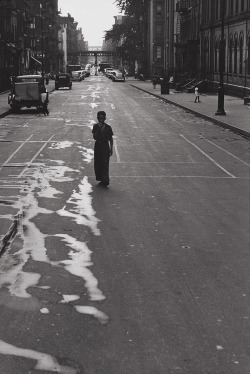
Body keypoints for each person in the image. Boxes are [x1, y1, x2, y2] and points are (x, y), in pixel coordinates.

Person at [92, 111, 113, 186]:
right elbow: (94, 136)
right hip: (98, 146)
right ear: (97, 118)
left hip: (105, 146)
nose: (101, 120)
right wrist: (99, 128)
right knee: (98, 163)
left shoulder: (108, 127)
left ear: (105, 118)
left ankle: (105, 179)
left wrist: (111, 148)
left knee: (105, 163)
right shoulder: (95, 126)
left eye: (102, 118)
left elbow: (110, 138)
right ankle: (101, 178)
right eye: (99, 118)